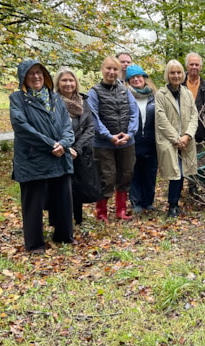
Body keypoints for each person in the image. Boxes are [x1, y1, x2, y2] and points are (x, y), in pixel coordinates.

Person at [10, 60, 74, 253]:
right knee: (33, 204)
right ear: (23, 78)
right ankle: (35, 244)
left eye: (39, 73)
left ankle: (63, 236)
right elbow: (22, 128)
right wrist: (50, 145)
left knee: (63, 200)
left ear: (45, 75)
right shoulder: (18, 99)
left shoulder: (55, 98)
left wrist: (63, 143)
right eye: (31, 74)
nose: (36, 77)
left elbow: (67, 126)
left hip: (59, 156)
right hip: (32, 159)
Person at [87, 56, 139, 221]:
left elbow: (134, 112)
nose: (111, 72)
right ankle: (102, 212)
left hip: (126, 142)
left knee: (126, 174)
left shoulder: (125, 90)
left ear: (119, 71)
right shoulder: (94, 92)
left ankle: (121, 210)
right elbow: (93, 117)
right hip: (104, 144)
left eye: (115, 69)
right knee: (106, 177)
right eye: (108, 68)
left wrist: (130, 133)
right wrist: (109, 136)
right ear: (102, 69)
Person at [55, 67, 100, 225]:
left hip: (80, 151)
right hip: (61, 150)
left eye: (71, 80)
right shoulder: (53, 102)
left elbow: (90, 127)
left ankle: (78, 219)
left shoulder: (83, 101)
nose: (68, 84)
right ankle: (61, 221)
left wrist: (78, 148)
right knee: (61, 188)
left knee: (79, 186)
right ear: (58, 83)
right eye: (64, 80)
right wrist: (67, 147)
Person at [155, 60, 199, 217]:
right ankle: (172, 205)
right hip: (170, 141)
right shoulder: (161, 94)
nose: (176, 75)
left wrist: (187, 136)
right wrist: (176, 139)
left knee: (185, 171)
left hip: (186, 140)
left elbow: (194, 115)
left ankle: (179, 200)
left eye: (179, 72)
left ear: (183, 74)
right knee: (176, 172)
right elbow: (161, 120)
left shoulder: (187, 92)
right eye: (172, 72)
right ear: (167, 74)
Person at [125, 64, 158, 213]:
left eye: (139, 76)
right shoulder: (126, 96)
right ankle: (136, 202)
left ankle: (148, 201)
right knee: (135, 172)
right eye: (133, 77)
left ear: (144, 78)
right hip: (133, 141)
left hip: (152, 140)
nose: (136, 79)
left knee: (150, 173)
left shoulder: (154, 96)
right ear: (128, 80)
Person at [184, 52, 205, 147]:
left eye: (197, 64)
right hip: (180, 132)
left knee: (197, 161)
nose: (194, 67)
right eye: (191, 64)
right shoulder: (179, 83)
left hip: (198, 134)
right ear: (187, 66)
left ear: (200, 67)